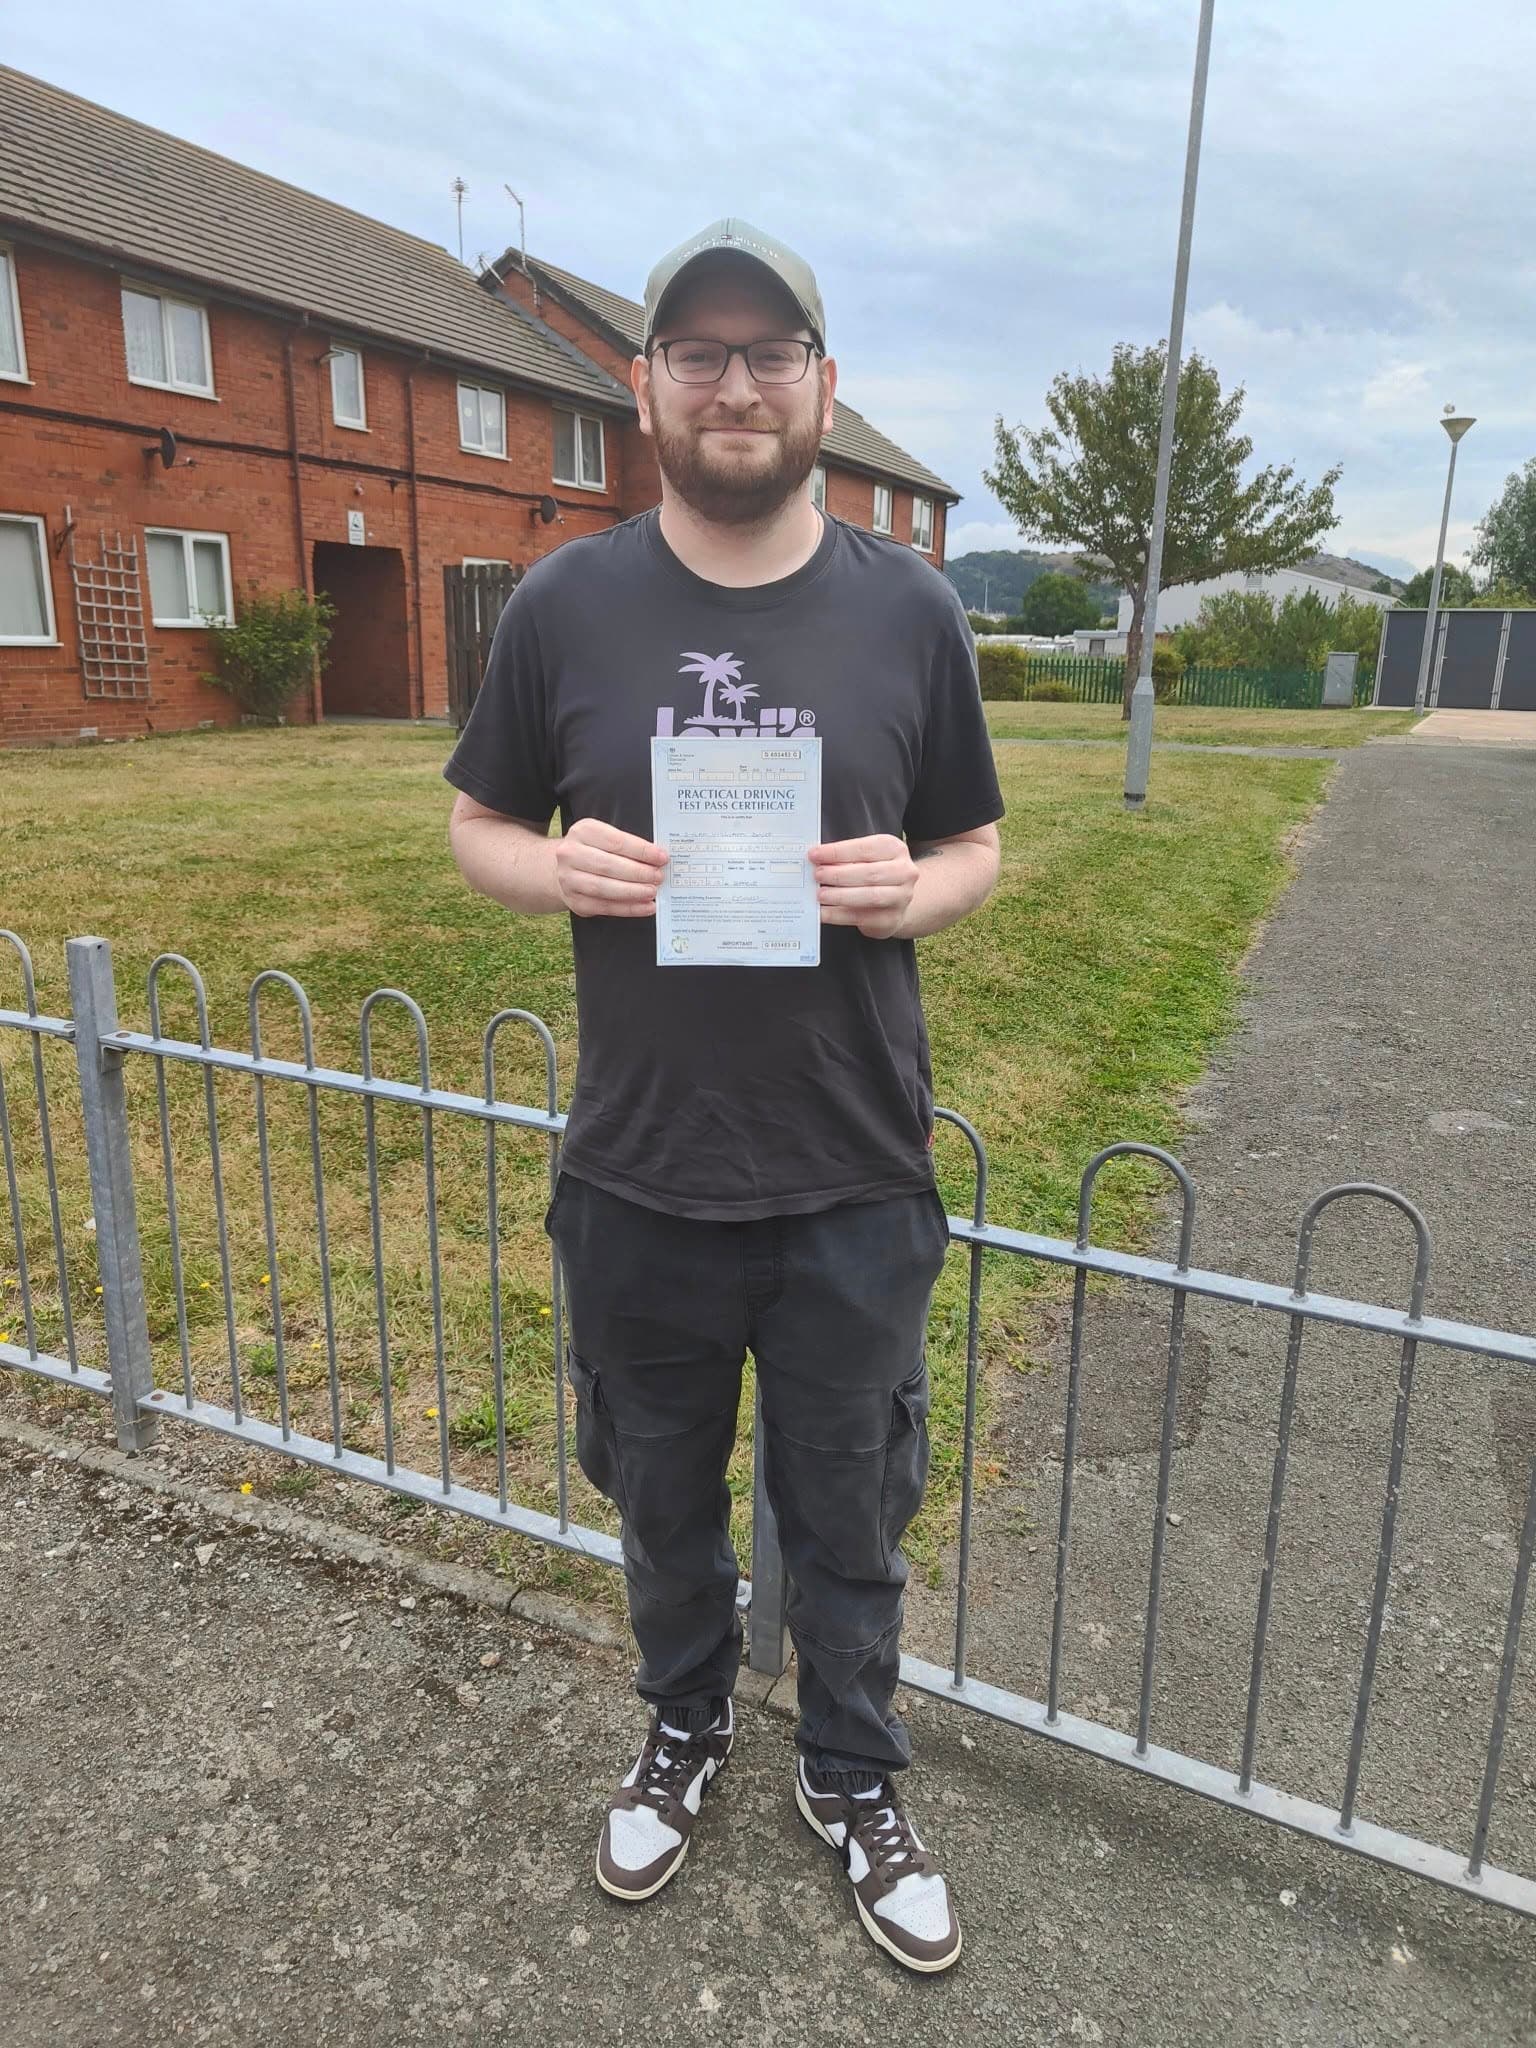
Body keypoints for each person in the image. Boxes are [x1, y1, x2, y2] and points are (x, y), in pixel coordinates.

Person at [444, 218, 1003, 1974]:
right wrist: (560, 872)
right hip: (643, 1176)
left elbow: (977, 841)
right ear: (646, 388)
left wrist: (921, 891)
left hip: (849, 1171)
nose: (738, 384)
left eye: (772, 355)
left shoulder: (911, 611)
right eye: (703, 354)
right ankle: (682, 1728)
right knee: (663, 1504)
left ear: (824, 388)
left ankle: (853, 1771)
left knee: (849, 1509)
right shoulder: (567, 602)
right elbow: (474, 824)